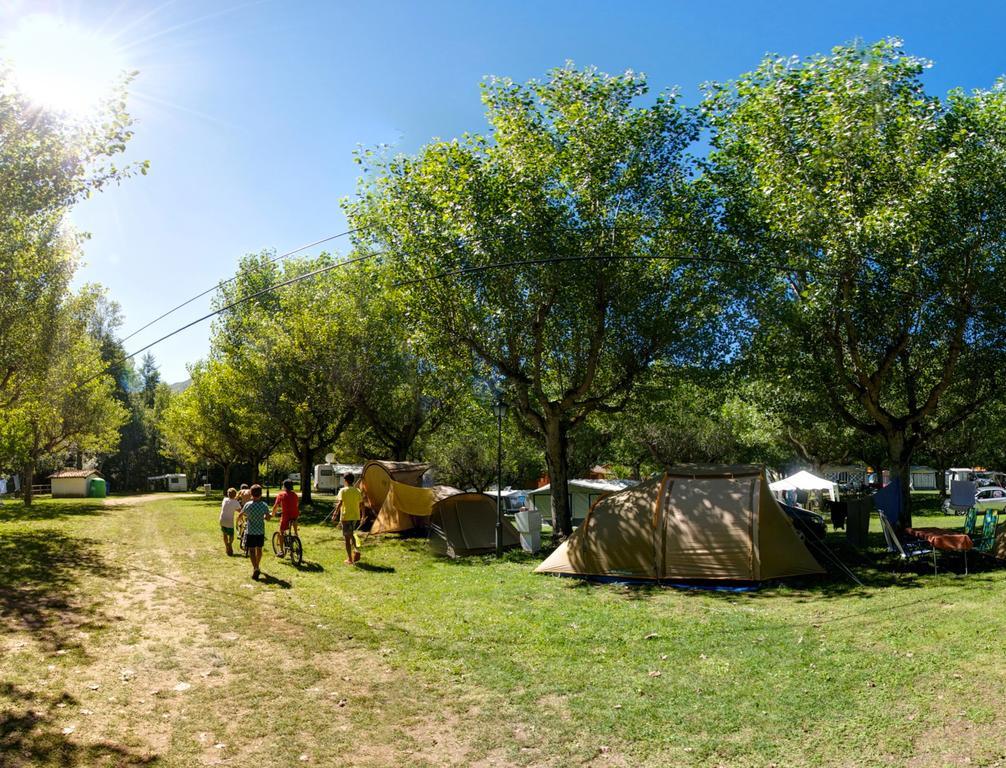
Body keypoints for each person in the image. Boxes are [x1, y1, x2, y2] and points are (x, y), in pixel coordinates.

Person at [242, 484, 271, 580]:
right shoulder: (264, 505)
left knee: (251, 550)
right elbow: (268, 518)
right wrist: (266, 516)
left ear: (251, 494)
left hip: (251, 531)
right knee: (259, 549)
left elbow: (242, 514)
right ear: (261, 494)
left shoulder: (248, 505)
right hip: (260, 532)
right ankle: (257, 566)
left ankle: (255, 567)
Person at [335, 473, 363, 565]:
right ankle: (356, 550)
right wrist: (362, 516)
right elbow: (362, 505)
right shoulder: (357, 491)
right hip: (355, 517)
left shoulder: (343, 490)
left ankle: (350, 559)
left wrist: (335, 513)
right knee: (351, 534)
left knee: (347, 538)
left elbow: (340, 503)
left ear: (345, 480)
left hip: (346, 516)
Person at [272, 479, 300, 555]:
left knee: (281, 531)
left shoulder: (281, 495)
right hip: (295, 514)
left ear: (284, 486)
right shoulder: (295, 494)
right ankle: (296, 536)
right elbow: (297, 504)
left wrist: (273, 514)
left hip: (286, 515)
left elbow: (275, 506)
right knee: (294, 521)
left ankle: (281, 551)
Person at [219, 487, 242, 556]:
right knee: (231, 535)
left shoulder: (224, 499)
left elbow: (231, 500)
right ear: (235, 495)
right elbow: (240, 510)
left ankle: (227, 547)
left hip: (222, 519)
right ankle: (229, 544)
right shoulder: (236, 502)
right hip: (229, 521)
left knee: (224, 534)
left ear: (228, 494)